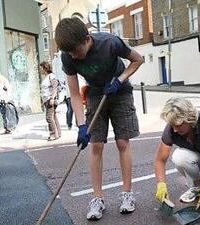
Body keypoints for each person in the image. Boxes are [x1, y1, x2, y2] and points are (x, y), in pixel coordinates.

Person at [55, 17, 144, 220]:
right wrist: (81, 125)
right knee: (95, 145)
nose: (74, 57)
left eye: (76, 51)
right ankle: (97, 198)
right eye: (69, 53)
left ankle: (127, 194)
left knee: (122, 141)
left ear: (87, 39)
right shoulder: (67, 56)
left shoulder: (110, 42)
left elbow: (138, 59)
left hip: (120, 91)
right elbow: (75, 92)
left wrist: (120, 80)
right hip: (95, 94)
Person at [39, 61, 61, 141]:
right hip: (47, 100)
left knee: (49, 117)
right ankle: (58, 133)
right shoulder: (47, 77)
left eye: (41, 68)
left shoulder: (51, 76)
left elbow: (55, 87)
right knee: (53, 116)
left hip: (50, 100)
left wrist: (52, 98)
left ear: (45, 68)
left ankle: (53, 134)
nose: (40, 70)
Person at [53, 52, 73, 130]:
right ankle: (70, 124)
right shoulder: (66, 73)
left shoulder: (64, 73)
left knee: (69, 109)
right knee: (70, 109)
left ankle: (69, 123)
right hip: (69, 93)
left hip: (67, 92)